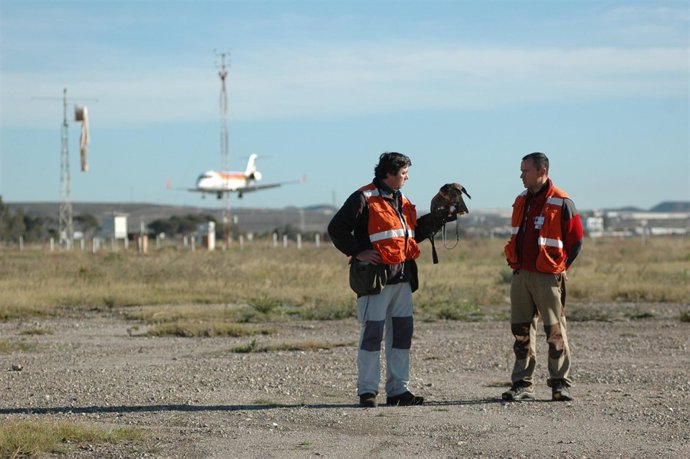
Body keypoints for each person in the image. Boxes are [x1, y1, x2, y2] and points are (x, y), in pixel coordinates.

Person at [327, 152, 449, 408]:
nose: (407, 177)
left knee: (401, 337)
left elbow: (411, 234)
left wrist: (440, 217)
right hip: (376, 281)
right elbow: (336, 228)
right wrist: (358, 251)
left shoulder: (402, 200)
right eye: (404, 173)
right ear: (389, 174)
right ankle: (367, 391)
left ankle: (397, 391)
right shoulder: (363, 197)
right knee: (372, 336)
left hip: (403, 280)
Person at [502, 152, 584, 402]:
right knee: (521, 331)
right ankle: (521, 384)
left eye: (525, 171)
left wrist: (559, 268)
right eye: (521, 170)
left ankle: (560, 384)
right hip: (521, 274)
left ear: (542, 172)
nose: (521, 175)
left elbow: (576, 240)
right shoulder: (521, 200)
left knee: (555, 330)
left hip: (547, 276)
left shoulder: (562, 201)